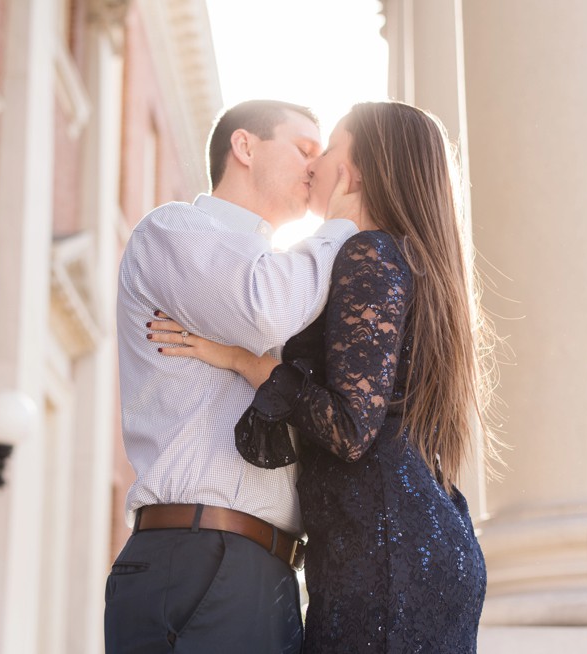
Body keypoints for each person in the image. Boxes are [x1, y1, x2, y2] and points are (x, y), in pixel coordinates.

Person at [148, 101, 499, 653]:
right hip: (403, 549)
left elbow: (349, 428)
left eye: (329, 148)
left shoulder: (369, 252)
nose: (315, 165)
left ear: (353, 171)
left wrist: (248, 362)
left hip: (383, 560)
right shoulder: (405, 261)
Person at [106, 100, 359, 653]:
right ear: (245, 148)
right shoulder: (175, 231)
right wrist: (345, 221)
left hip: (262, 572)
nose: (316, 168)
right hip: (200, 555)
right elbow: (264, 307)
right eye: (304, 150)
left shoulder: (289, 271)